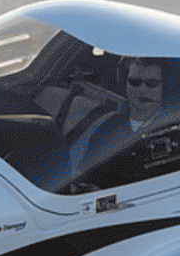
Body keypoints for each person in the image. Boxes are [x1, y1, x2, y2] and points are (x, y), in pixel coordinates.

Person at [68, 57, 169, 188]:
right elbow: (86, 175)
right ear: (124, 85)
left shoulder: (175, 130)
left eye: (152, 83)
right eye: (135, 82)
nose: (143, 90)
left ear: (163, 87)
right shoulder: (109, 124)